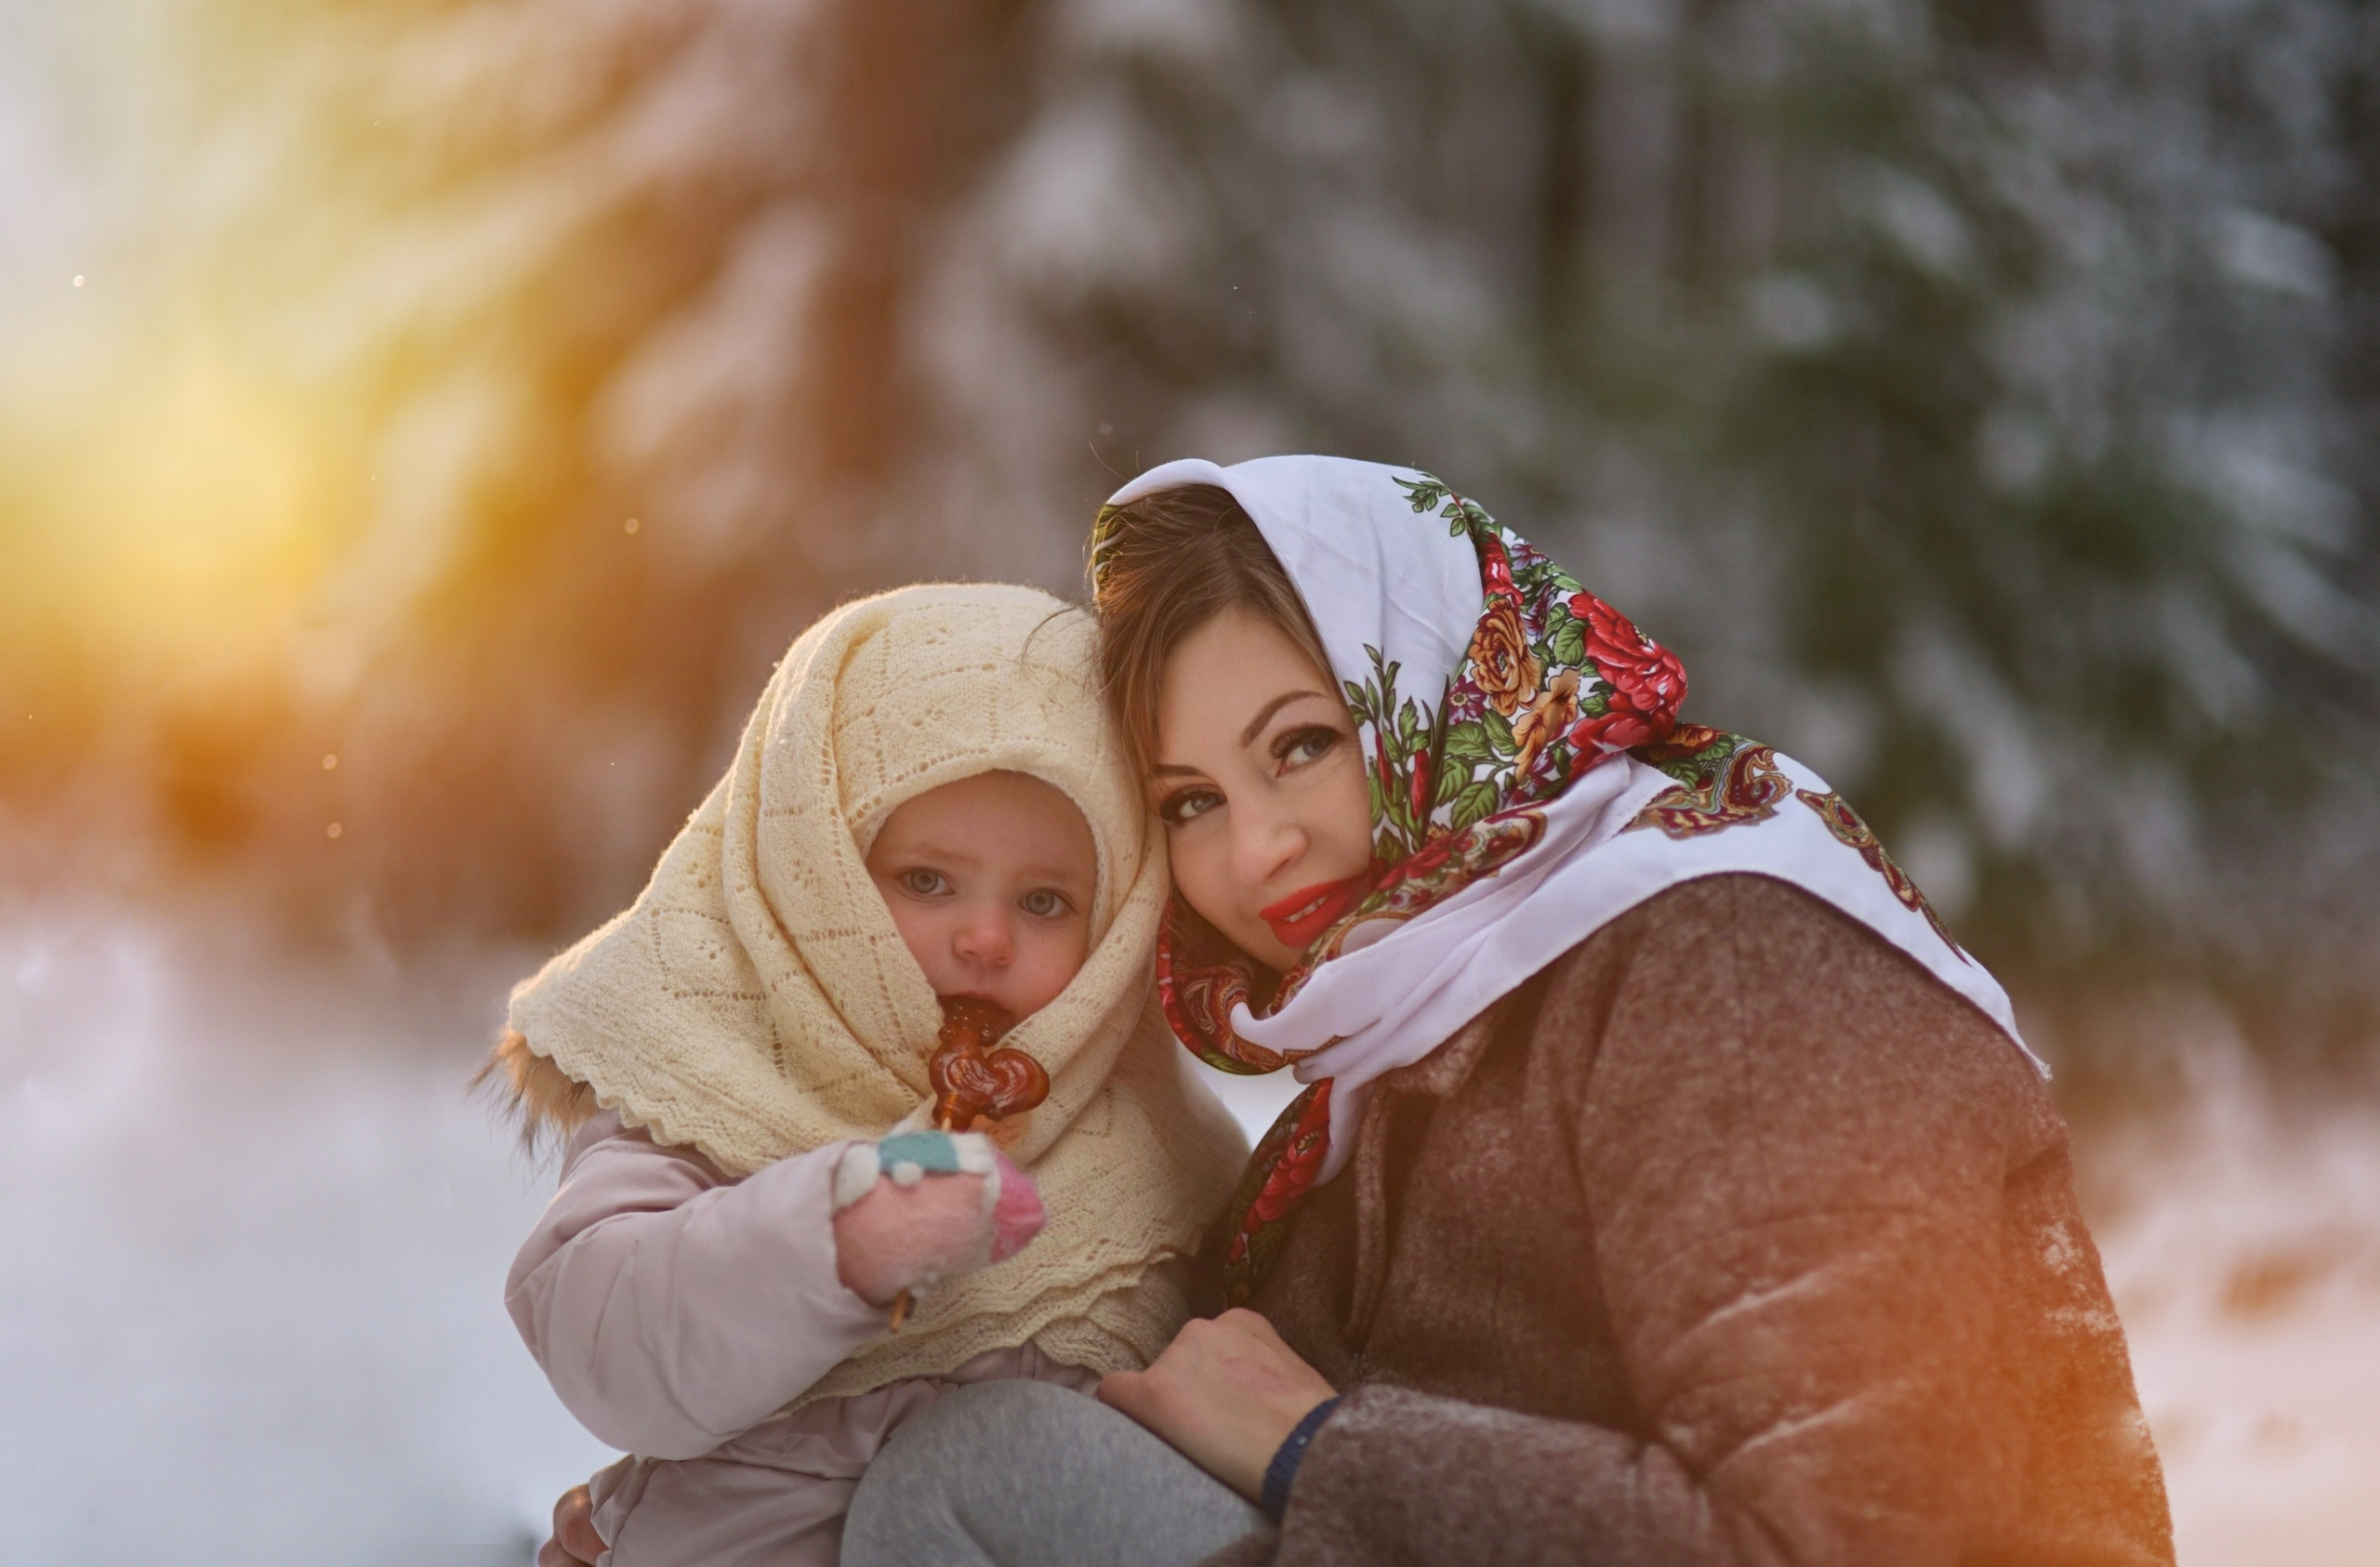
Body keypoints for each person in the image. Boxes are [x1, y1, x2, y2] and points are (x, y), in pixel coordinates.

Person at [834, 457, 2175, 1567]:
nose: (1256, 852)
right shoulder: (1403, 1027)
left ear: (1447, 694)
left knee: (983, 1473)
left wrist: (1323, 1448)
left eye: (1303, 744)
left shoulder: (1728, 953)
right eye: (1193, 802)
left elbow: (1851, 1533)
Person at [488, 583, 1245, 1567]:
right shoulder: (712, 1078)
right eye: (925, 880)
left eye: (1046, 902)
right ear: (815, 875)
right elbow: (611, 1348)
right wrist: (836, 1234)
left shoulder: (1154, 1143)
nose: (983, 938)